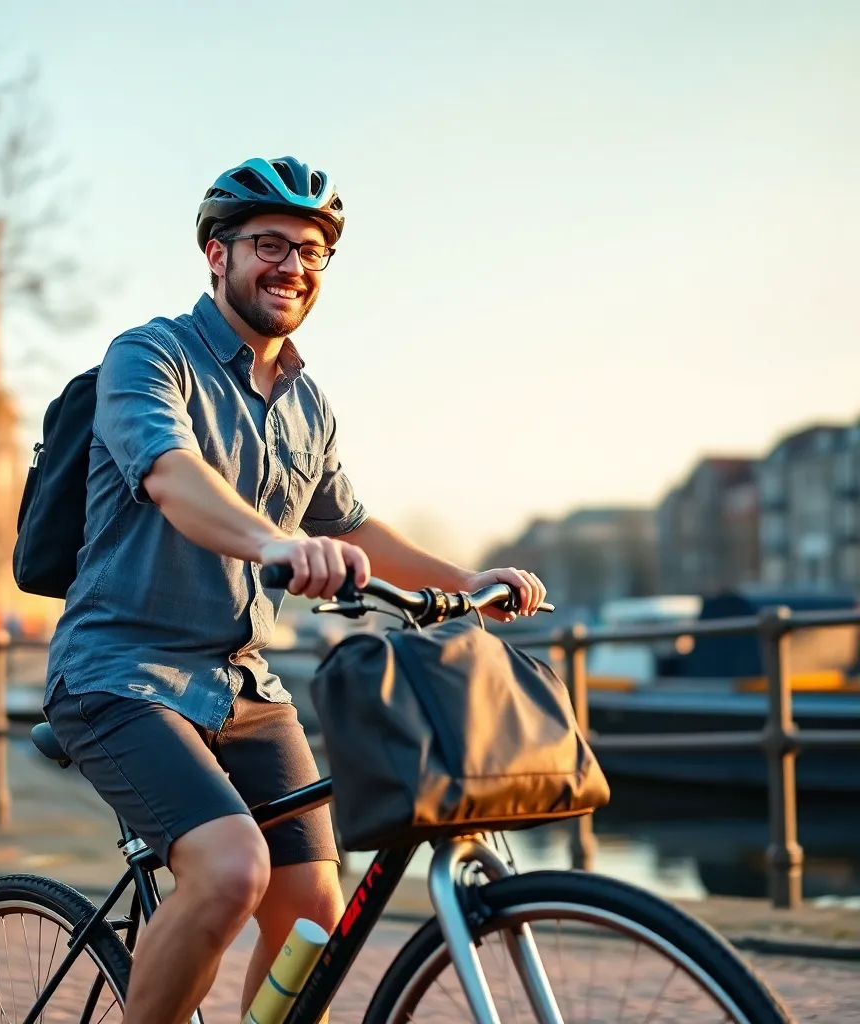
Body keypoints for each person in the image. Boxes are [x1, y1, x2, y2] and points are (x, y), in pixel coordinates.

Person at [43, 155, 548, 1024]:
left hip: (245, 684)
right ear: (216, 254)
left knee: (318, 907)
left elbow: (352, 525)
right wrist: (278, 542)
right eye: (269, 243)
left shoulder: (308, 401)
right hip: (117, 673)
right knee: (231, 867)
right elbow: (173, 475)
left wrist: (467, 581)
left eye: (312, 251)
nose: (293, 266)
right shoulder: (149, 356)